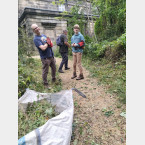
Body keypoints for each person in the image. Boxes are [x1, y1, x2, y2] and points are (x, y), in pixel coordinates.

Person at [31, 24, 56, 88]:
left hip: (51, 56)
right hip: (45, 58)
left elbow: (50, 45)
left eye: (36, 27)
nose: (36, 29)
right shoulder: (36, 39)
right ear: (33, 31)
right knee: (45, 71)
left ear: (38, 27)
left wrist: (49, 43)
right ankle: (45, 84)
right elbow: (43, 48)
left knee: (54, 68)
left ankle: (54, 80)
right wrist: (47, 43)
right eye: (34, 29)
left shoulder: (44, 35)